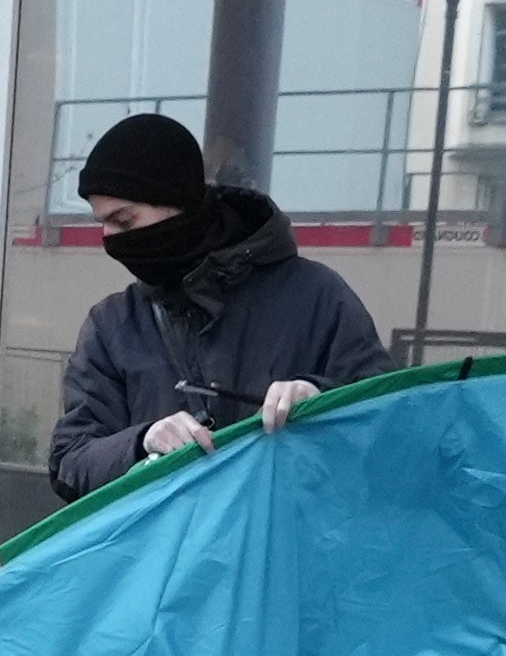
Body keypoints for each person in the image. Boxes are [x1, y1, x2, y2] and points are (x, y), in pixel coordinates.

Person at [45, 113, 390, 501]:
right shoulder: (112, 325)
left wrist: (322, 399)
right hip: (164, 558)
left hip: (293, 549)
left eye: (124, 221)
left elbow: (390, 423)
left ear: (178, 202)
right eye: (102, 225)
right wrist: (140, 443)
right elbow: (70, 460)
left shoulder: (316, 296)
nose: (110, 241)